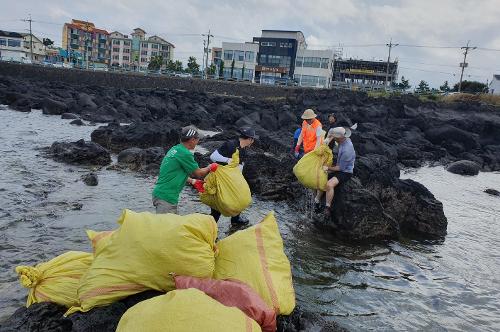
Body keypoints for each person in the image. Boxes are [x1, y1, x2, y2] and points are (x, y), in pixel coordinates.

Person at [152, 126, 217, 214]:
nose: (197, 142)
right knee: (165, 227)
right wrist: (211, 166)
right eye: (198, 139)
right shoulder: (185, 154)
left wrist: (192, 181)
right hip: (166, 198)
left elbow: (173, 172)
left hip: (160, 194)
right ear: (192, 140)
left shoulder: (174, 149)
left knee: (172, 225)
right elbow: (199, 173)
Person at [209, 127, 257, 226]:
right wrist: (227, 160)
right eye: (252, 139)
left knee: (239, 196)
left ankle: (235, 219)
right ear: (250, 139)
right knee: (219, 203)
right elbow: (213, 156)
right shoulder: (230, 145)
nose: (252, 142)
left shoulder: (243, 149)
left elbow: (239, 164)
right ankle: (211, 226)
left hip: (233, 178)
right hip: (221, 178)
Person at [314, 126, 356, 218]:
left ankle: (327, 207)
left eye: (335, 137)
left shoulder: (347, 150)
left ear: (339, 138)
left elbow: (340, 168)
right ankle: (317, 201)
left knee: (329, 184)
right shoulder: (342, 138)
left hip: (345, 171)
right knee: (321, 176)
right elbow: (331, 132)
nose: (334, 138)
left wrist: (327, 167)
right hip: (339, 164)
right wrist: (327, 140)